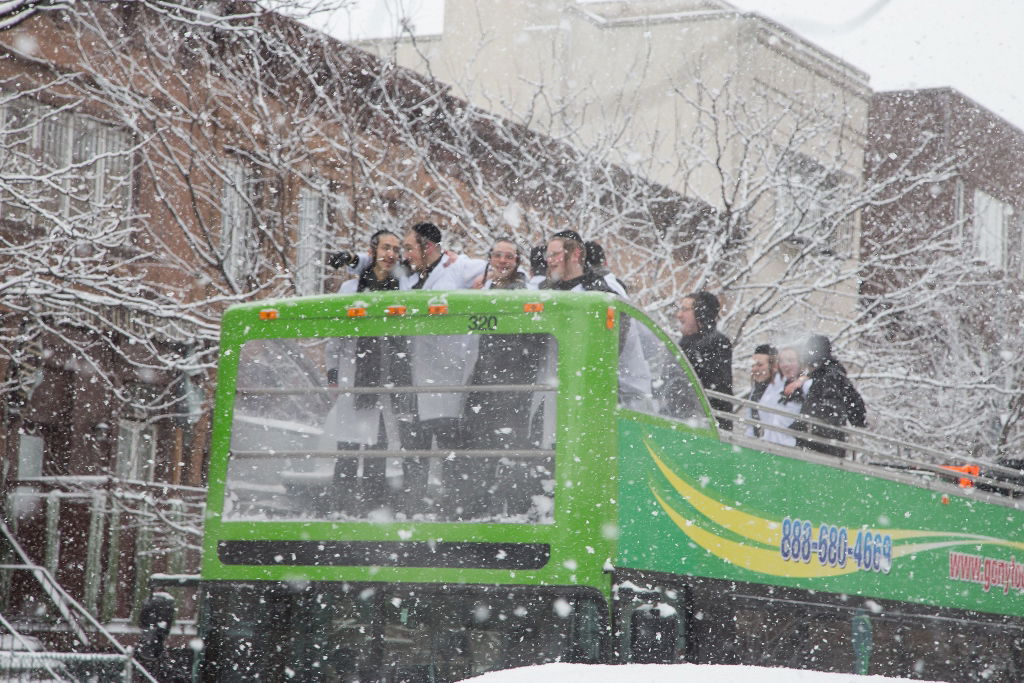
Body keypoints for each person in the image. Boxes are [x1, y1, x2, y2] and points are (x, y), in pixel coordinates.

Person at [323, 230, 411, 515]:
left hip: (387, 381)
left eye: (395, 249)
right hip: (354, 377)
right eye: (386, 248)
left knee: (378, 452)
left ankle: (374, 511)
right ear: (373, 251)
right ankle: (342, 510)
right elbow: (334, 338)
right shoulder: (350, 290)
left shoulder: (404, 288)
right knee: (347, 450)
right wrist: (333, 374)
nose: (391, 254)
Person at [793, 334, 866, 457]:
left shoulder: (827, 377)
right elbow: (856, 405)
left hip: (822, 445)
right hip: (829, 443)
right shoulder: (834, 374)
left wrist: (801, 426)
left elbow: (829, 409)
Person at [676, 291, 733, 429]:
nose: (679, 315)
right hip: (681, 420)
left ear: (701, 313)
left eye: (685, 309)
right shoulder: (683, 343)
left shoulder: (716, 342)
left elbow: (717, 388)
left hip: (704, 426)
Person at [539, 230, 615, 292]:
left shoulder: (598, 291)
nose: (549, 260)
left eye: (555, 254)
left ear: (575, 254)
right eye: (548, 255)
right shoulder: (543, 292)